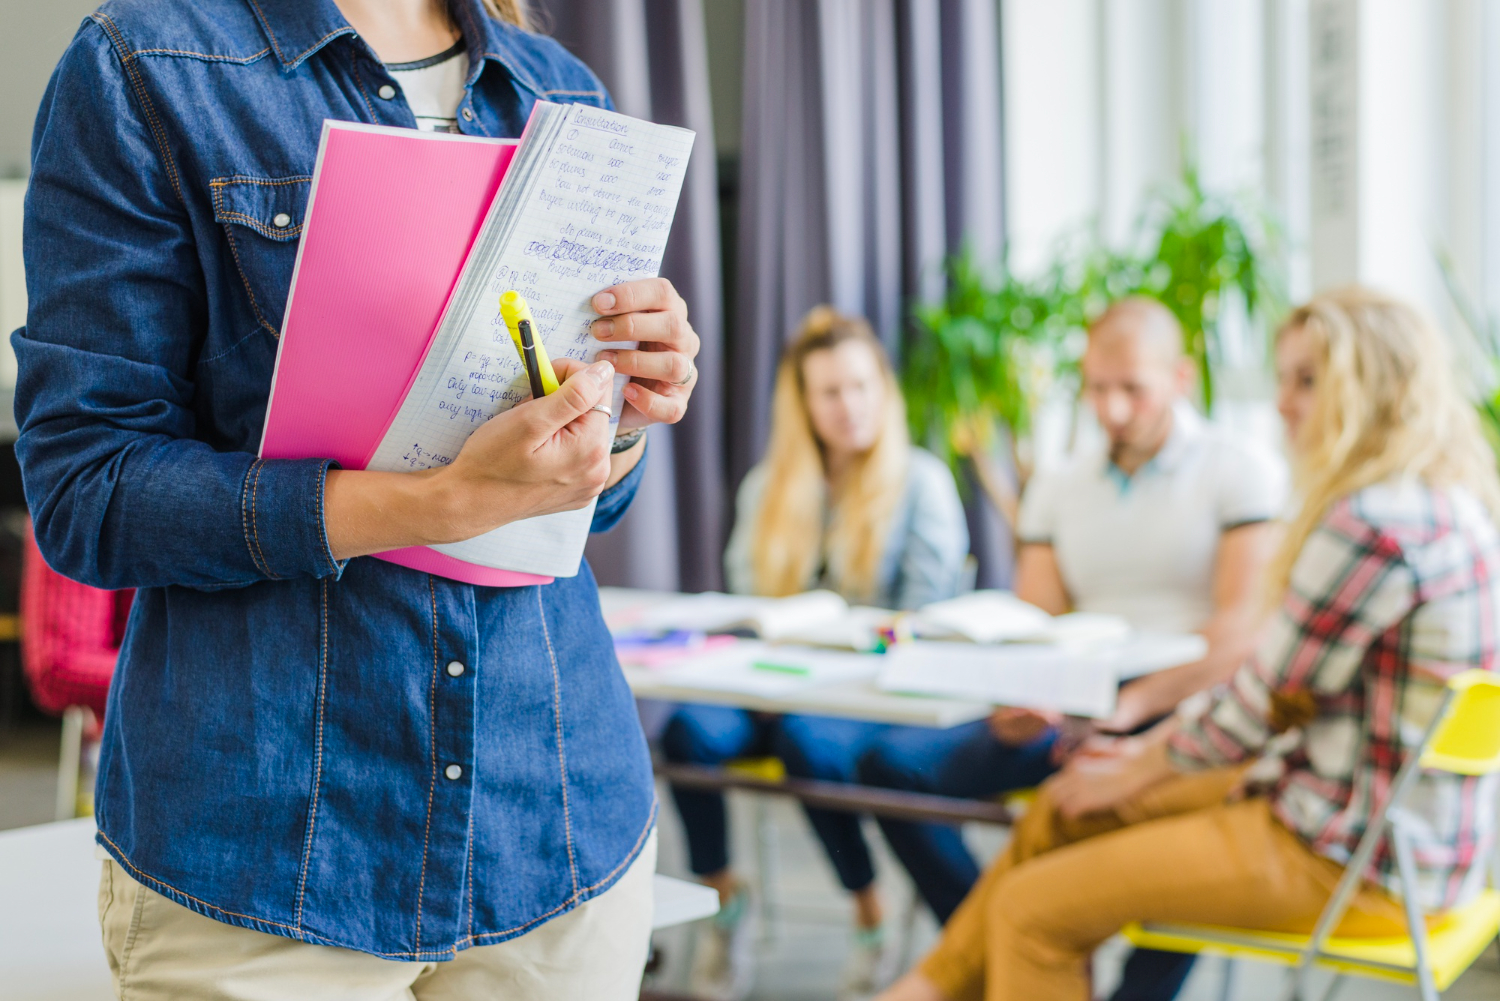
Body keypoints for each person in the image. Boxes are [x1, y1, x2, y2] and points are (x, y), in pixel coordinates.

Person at [16, 1, 702, 998]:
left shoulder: (557, 87)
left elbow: (579, 512)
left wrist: (621, 416)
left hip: (553, 827)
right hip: (267, 847)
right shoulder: (142, 65)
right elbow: (89, 490)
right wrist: (435, 502)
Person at [876, 286, 1500, 1001]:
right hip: (1388, 832)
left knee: (1032, 911)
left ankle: (926, 989)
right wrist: (1132, 760)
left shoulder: (1371, 522)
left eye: (1307, 379)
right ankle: (926, 989)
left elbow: (1262, 700)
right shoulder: (1446, 501)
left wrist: (1141, 760)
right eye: (1283, 378)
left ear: (1375, 385)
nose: (1284, 403)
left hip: (1350, 856)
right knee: (1063, 803)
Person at [857, 297, 1286, 1000]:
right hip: (1078, 701)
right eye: (1097, 388)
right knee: (889, 764)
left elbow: (1239, 635)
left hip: (1180, 706)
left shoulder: (1240, 471)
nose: (1112, 409)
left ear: (1180, 377)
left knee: (1148, 799)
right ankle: (1007, 959)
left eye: (1132, 388)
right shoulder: (1059, 485)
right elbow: (1034, 619)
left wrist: (1127, 707)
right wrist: (1026, 694)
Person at [662, 307, 969, 1000]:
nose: (848, 405)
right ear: (803, 402)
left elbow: (924, 618)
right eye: (829, 391)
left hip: (860, 694)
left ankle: (869, 912)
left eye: (860, 386)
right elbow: (747, 595)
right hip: (773, 681)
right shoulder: (768, 485)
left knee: (811, 743)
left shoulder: (921, 483)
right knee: (687, 732)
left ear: (883, 389)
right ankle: (725, 902)